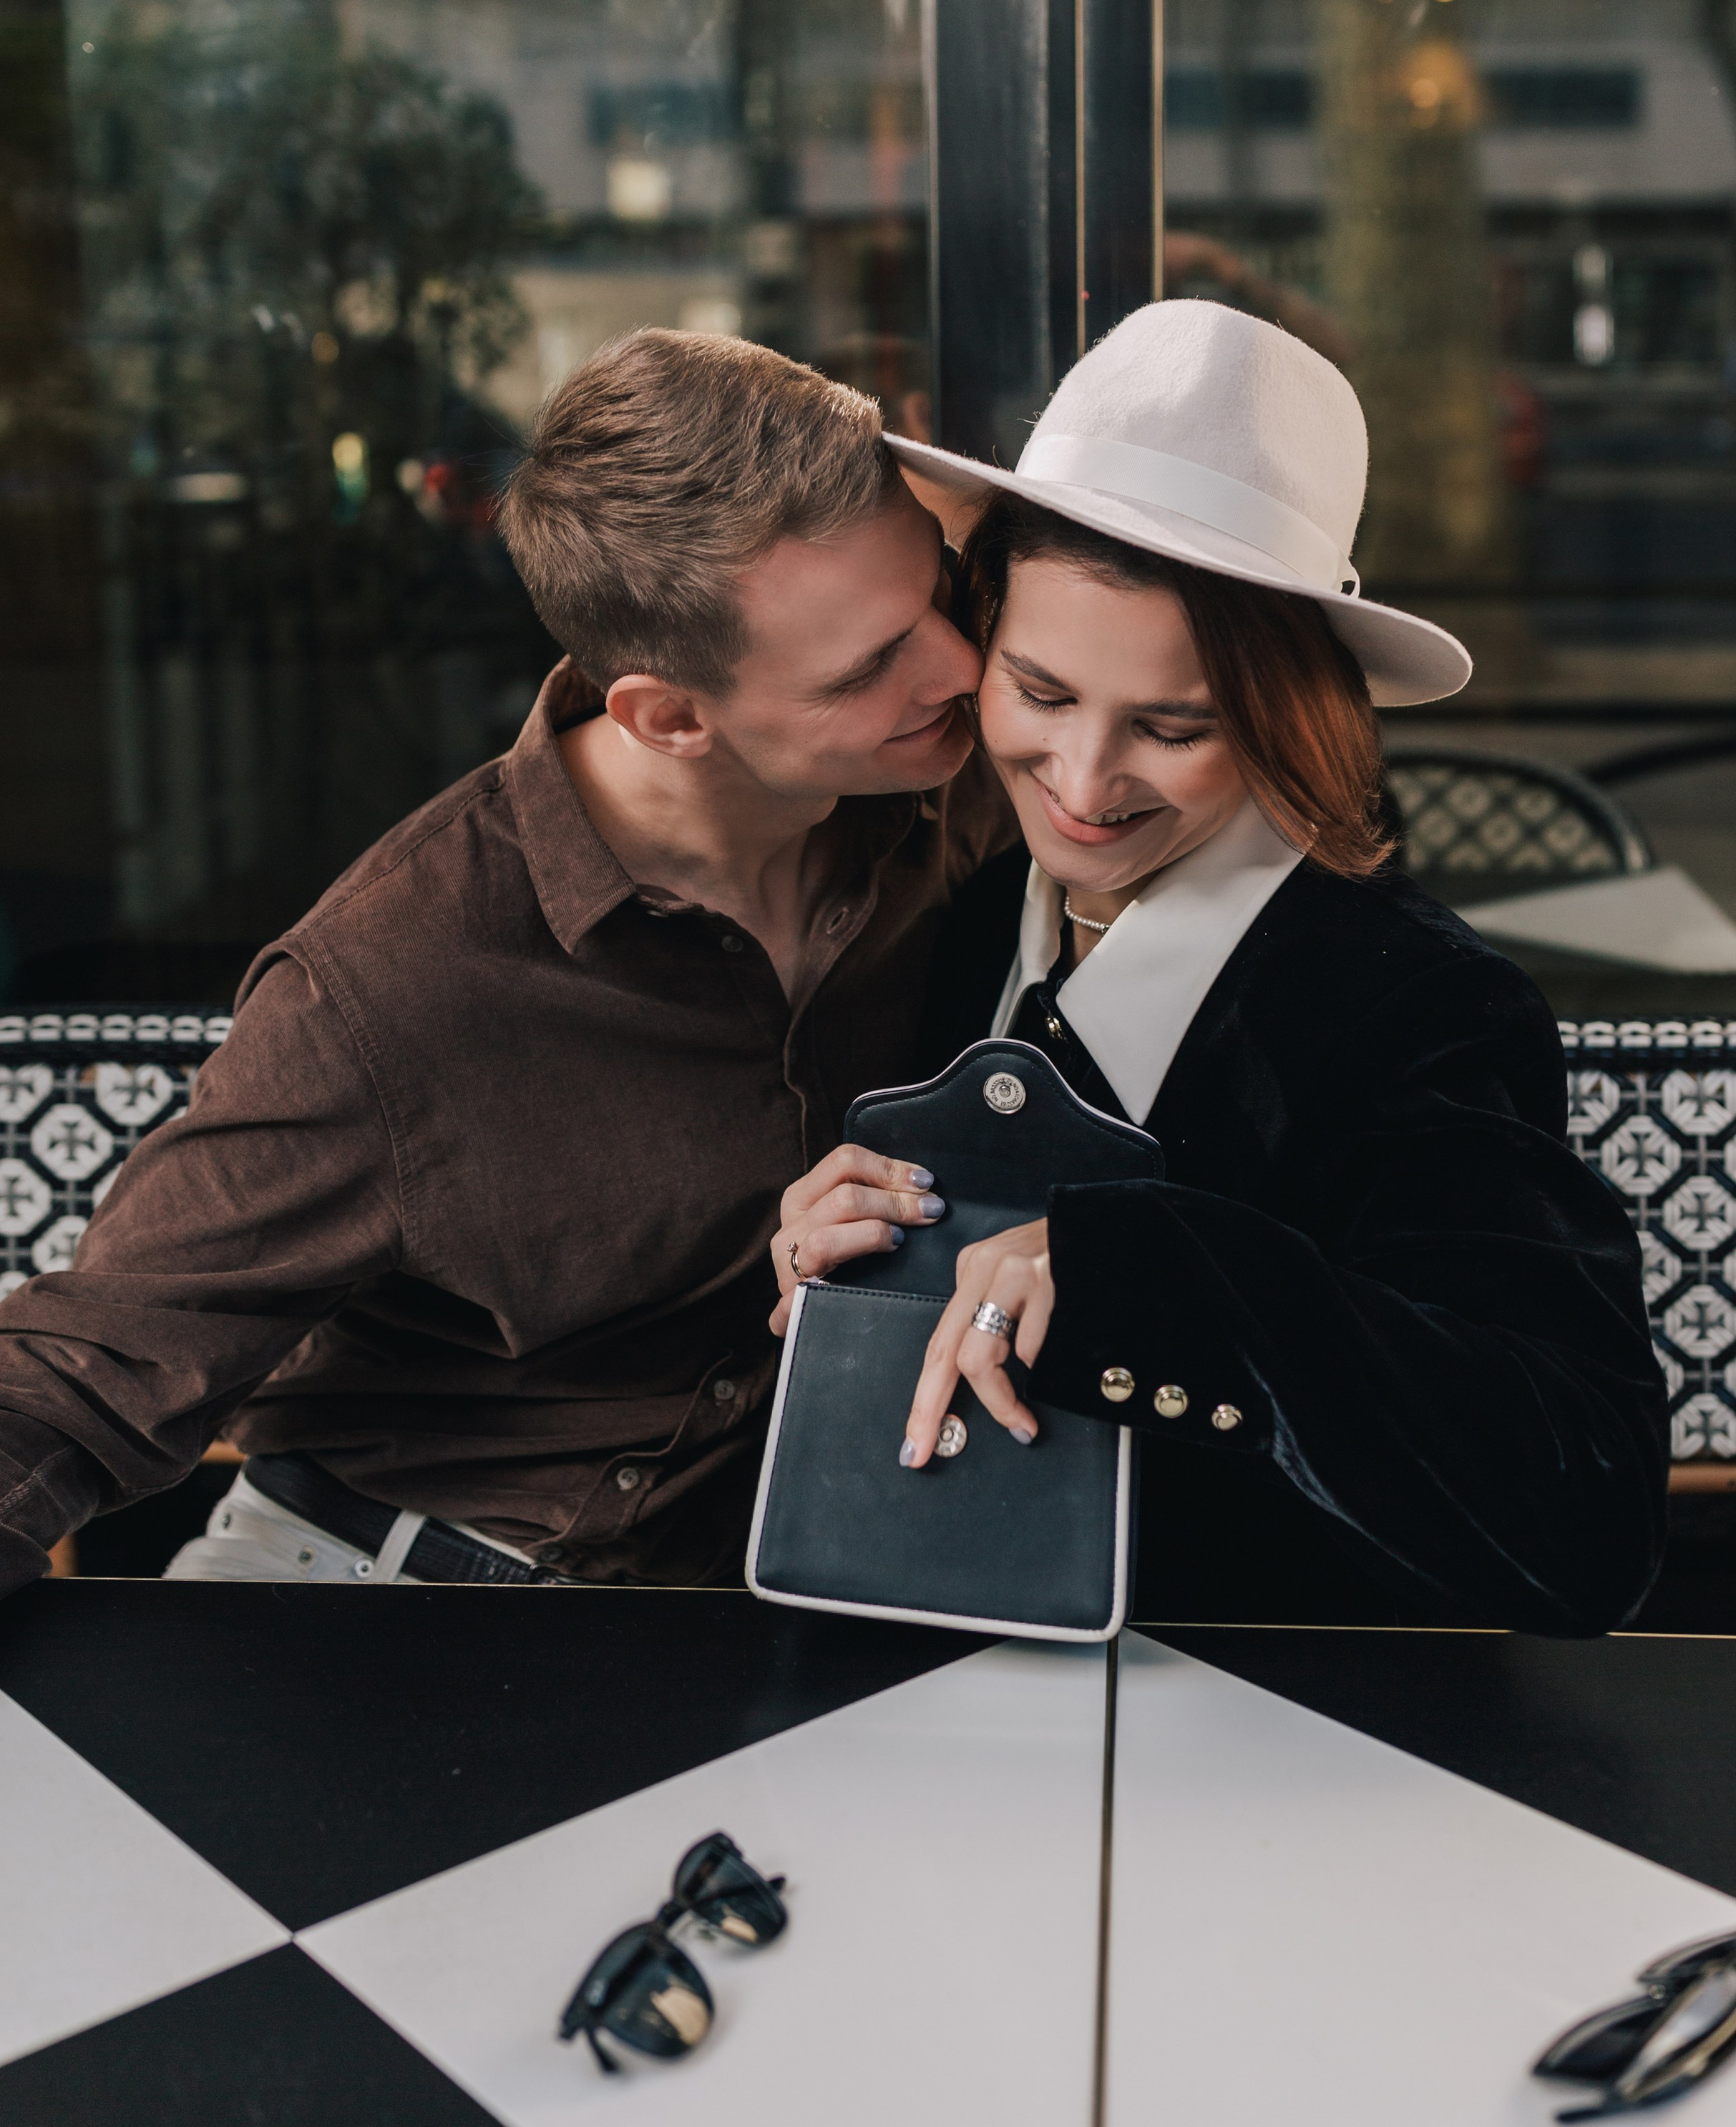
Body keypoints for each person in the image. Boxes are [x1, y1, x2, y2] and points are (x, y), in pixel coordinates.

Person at [0, 331, 1003, 1594]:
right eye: (870, 668)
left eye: (941, 597)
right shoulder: (391, 983)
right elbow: (85, 1370)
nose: (960, 669)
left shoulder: (942, 794)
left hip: (719, 1617)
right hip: (377, 1607)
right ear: (671, 716)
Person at [771, 301, 1667, 1635]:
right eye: (1042, 692)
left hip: (1307, 1744)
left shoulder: (1415, 1009)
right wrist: (835, 1287)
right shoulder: (967, 935)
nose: (1079, 788)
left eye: (1174, 727)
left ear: (1281, 714)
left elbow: (1581, 1513)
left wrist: (1170, 1285)